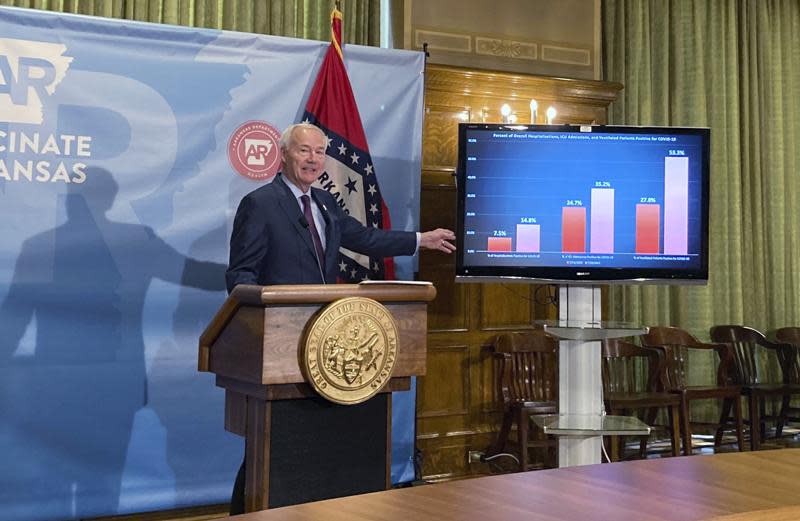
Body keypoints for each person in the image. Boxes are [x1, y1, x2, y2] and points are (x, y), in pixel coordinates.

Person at [225, 122, 455, 513]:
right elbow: (240, 276)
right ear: (284, 155)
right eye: (303, 151)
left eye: (319, 152)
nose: (313, 160)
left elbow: (365, 239)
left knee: (310, 439)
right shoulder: (261, 204)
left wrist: (420, 239)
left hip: (325, 341)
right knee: (273, 442)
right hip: (279, 347)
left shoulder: (326, 204)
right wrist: (256, 319)